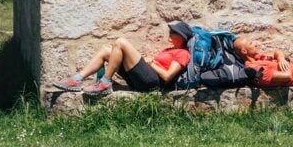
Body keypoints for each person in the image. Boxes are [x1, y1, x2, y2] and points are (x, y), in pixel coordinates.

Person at [52, 21, 194, 96]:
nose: (170, 33)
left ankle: (104, 83)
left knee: (121, 42)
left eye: (173, 32)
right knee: (106, 51)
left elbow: (168, 76)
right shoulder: (169, 50)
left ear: (181, 37)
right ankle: (75, 80)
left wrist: (152, 64)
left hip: (152, 83)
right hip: (145, 77)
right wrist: (149, 62)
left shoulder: (183, 53)